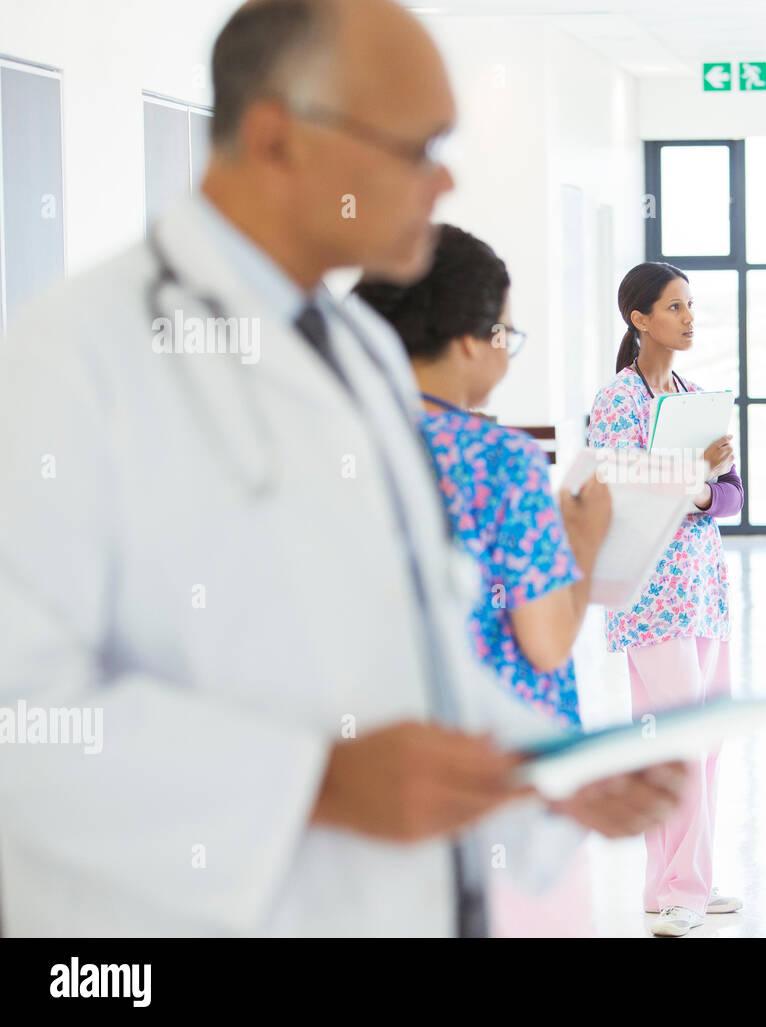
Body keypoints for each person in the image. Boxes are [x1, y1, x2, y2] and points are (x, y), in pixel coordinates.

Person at [0, 0, 685, 938]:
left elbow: (417, 652)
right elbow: (23, 720)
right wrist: (313, 782)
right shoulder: (69, 360)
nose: (444, 180)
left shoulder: (357, 348)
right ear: (279, 140)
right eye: (418, 145)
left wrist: (553, 767)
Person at [356, 225, 610, 727]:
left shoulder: (332, 438)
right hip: (492, 750)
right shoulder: (501, 460)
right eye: (506, 334)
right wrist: (584, 538)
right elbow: (547, 644)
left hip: (371, 738)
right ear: (472, 341)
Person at [586, 261, 744, 937]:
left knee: (697, 741)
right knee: (678, 739)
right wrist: (694, 474)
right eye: (674, 306)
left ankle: (669, 884)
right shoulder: (616, 401)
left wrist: (705, 484)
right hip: (651, 591)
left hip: (703, 589)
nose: (688, 317)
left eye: (691, 305)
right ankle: (686, 888)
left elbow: (732, 496)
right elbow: (616, 487)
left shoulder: (696, 396)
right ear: (639, 318)